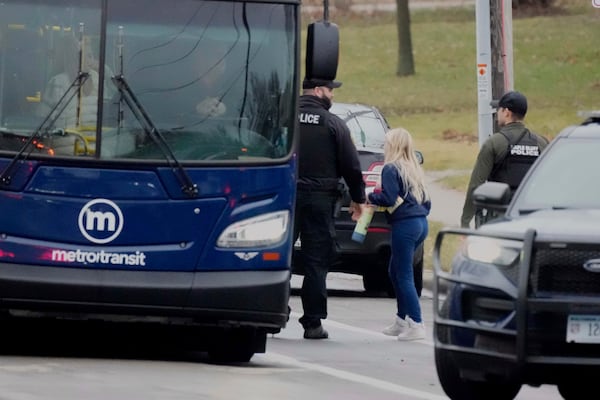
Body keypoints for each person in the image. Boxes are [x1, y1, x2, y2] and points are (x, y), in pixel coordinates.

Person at [294, 77, 366, 340]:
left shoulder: (284, 118)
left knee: (275, 256)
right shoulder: (334, 124)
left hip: (286, 197)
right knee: (316, 261)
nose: (332, 96)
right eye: (330, 91)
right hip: (321, 200)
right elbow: (351, 165)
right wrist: (358, 198)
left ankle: (272, 311)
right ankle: (312, 323)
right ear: (317, 91)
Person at [367, 127, 431, 341]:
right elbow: (427, 202)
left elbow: (387, 197)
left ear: (392, 146)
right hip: (421, 223)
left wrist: (370, 196)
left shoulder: (390, 169)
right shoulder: (413, 169)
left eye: (386, 143)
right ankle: (401, 319)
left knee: (403, 275)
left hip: (404, 226)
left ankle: (416, 323)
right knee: (395, 270)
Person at [460, 90, 549, 228]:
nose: (497, 113)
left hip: (500, 217)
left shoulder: (494, 143)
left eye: (499, 109)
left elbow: (475, 185)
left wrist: (465, 222)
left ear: (506, 112)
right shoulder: (541, 142)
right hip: (531, 216)